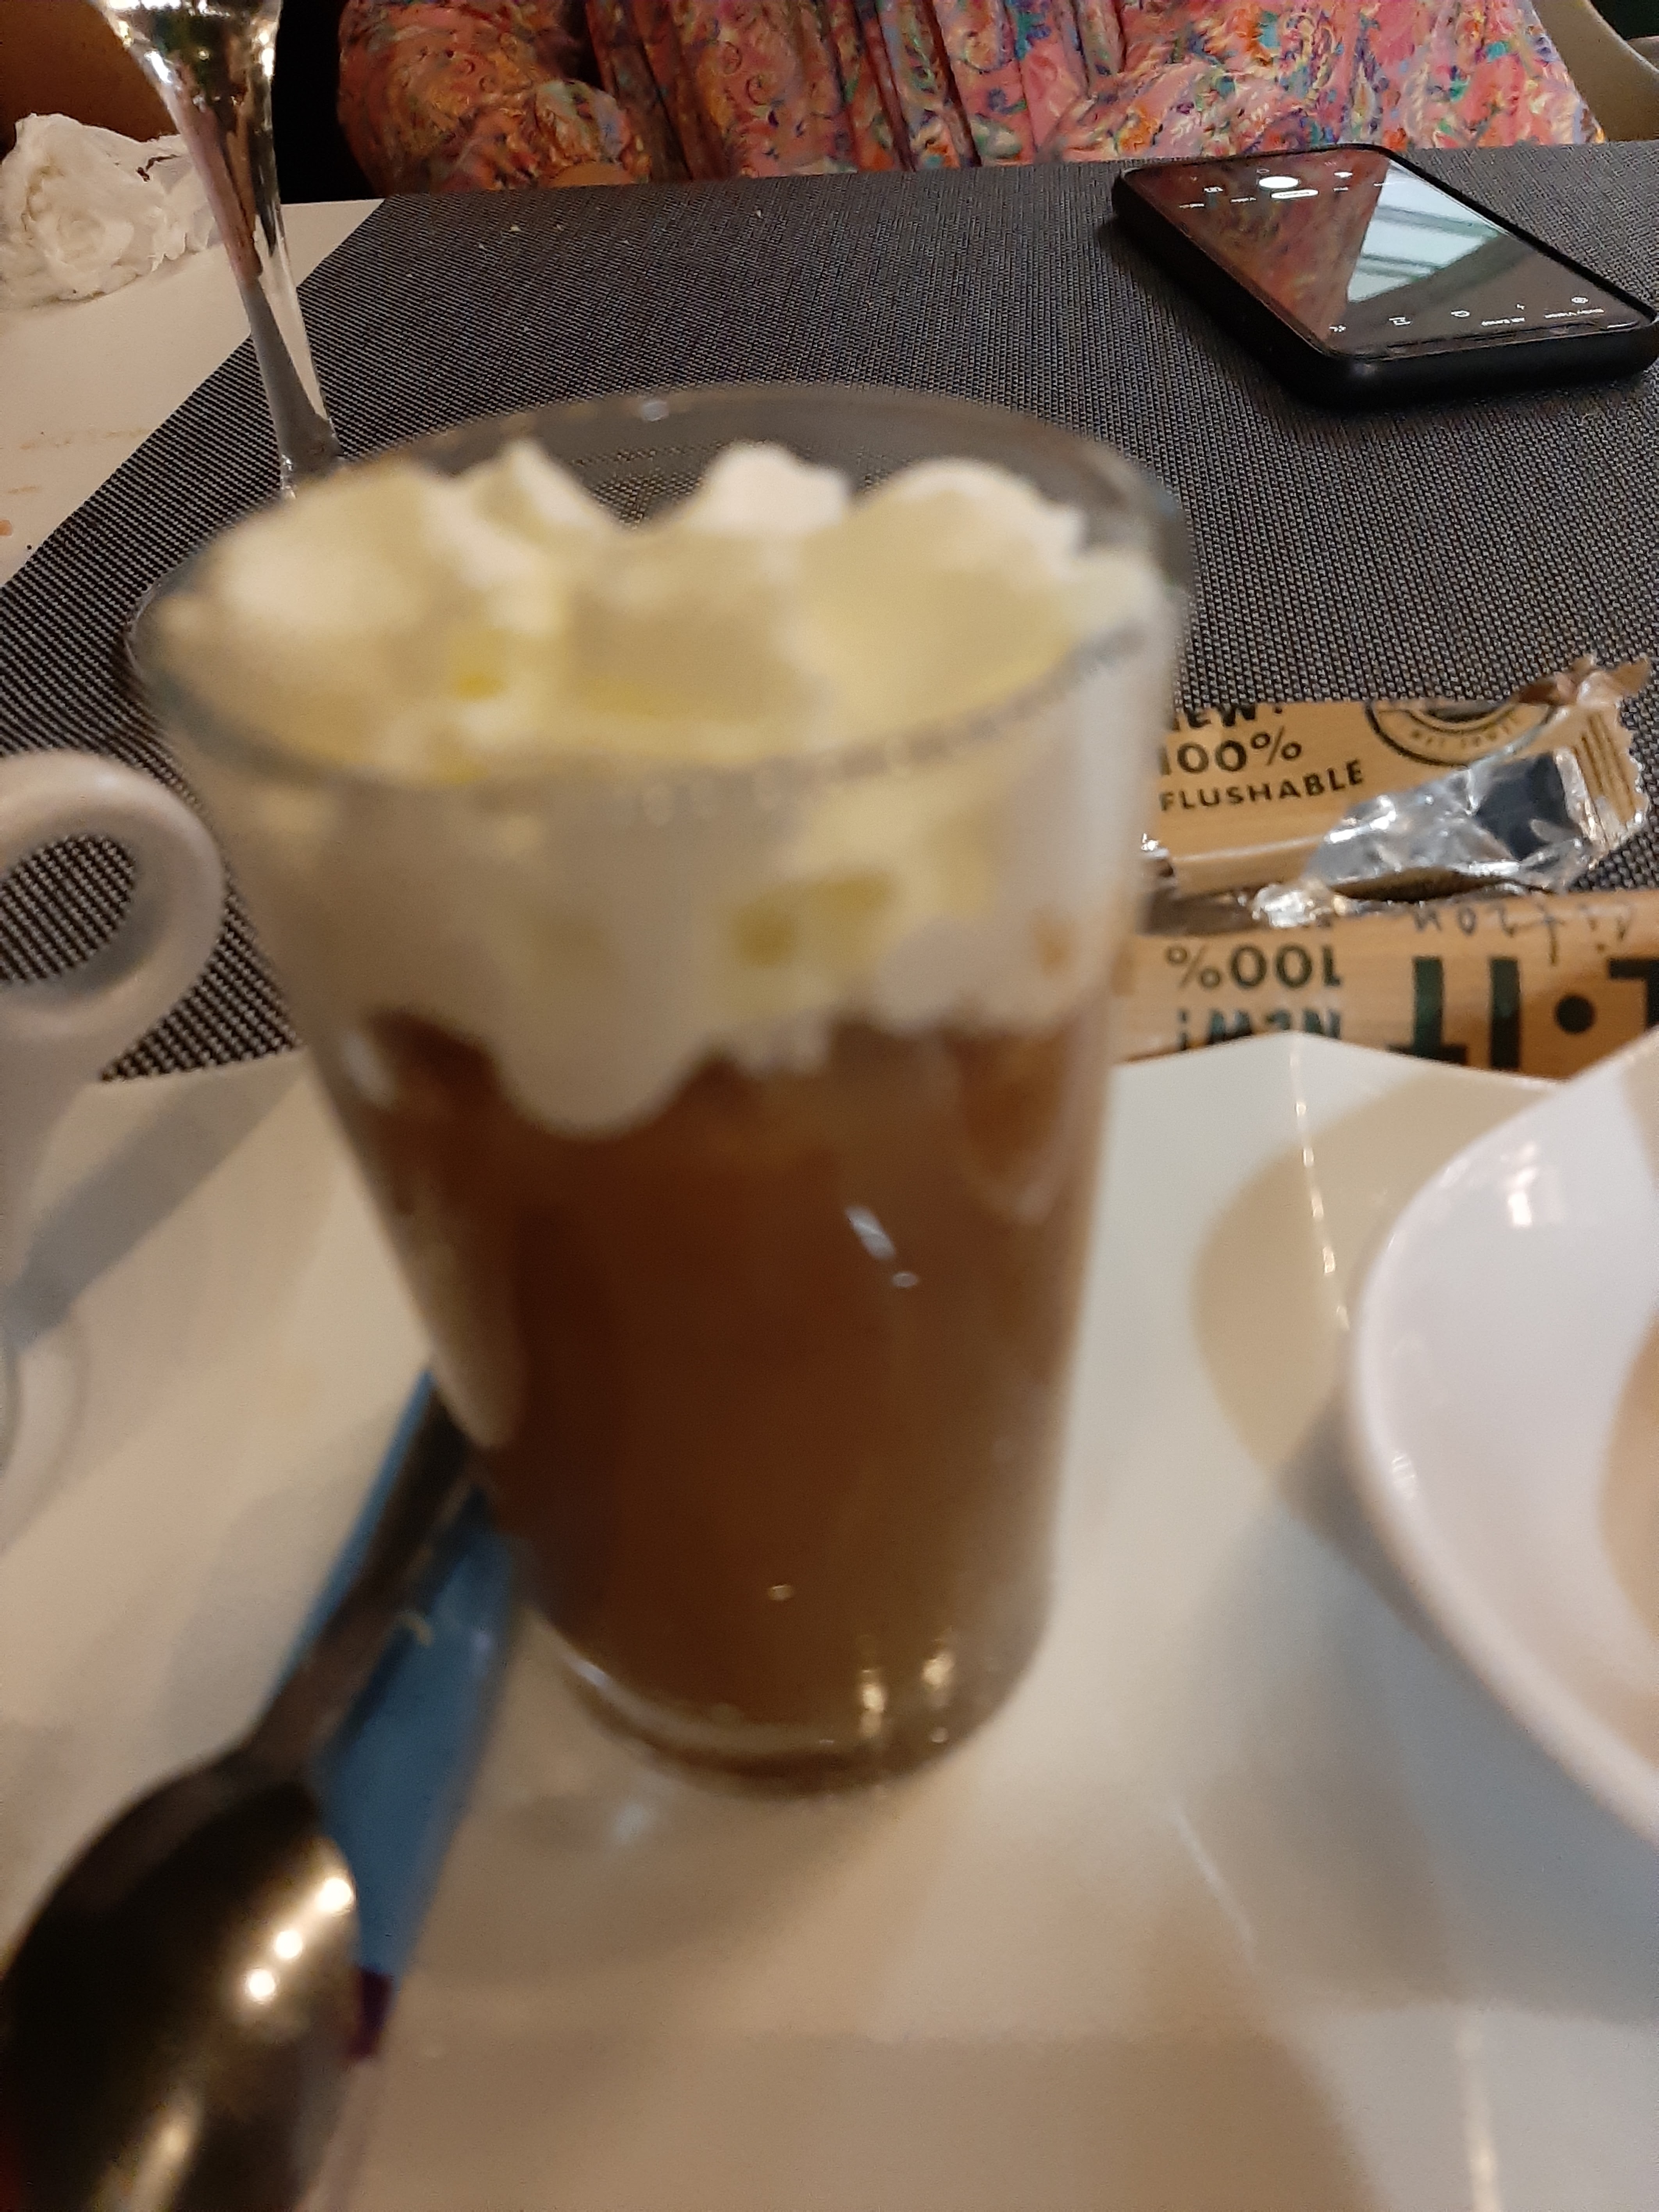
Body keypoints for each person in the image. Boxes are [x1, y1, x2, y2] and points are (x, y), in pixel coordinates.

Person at [337, 0, 1598, 195]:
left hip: (1308, 257)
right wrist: (539, 154)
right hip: (744, 329)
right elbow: (433, 27)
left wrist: (1048, 227)